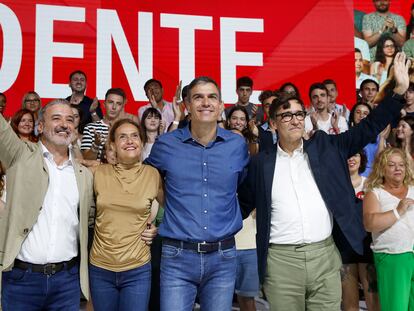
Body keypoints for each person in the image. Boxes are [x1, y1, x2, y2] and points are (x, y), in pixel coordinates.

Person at [238, 52, 410, 311]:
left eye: (298, 114)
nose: (295, 120)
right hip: (281, 262)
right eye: (286, 115)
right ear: (272, 123)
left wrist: (398, 92)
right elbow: (240, 205)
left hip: (325, 257)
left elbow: (369, 127)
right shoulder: (260, 164)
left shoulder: (327, 148)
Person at [145, 76, 249, 311]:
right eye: (198, 97)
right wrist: (168, 203)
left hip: (223, 256)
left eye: (212, 97)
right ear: (187, 106)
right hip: (177, 256)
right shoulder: (167, 144)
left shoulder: (236, 145)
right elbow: (148, 179)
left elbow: (243, 188)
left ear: (221, 105)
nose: (205, 102)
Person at [0, 99, 94, 310]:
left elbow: (93, 220)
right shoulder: (20, 155)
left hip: (67, 283)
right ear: (40, 126)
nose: (64, 124)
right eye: (56, 118)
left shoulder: (84, 176)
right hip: (21, 280)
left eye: (70, 120)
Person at [89, 119, 163, 311]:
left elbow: (175, 209)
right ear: (113, 145)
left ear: (142, 141)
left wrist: (158, 228)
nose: (129, 141)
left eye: (134, 136)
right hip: (100, 268)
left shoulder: (152, 174)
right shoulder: (99, 173)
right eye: (123, 137)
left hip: (137, 269)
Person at [363, 147, 414, 311]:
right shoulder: (375, 193)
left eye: (401, 165)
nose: (398, 168)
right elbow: (370, 223)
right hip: (393, 256)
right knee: (396, 307)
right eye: (391, 165)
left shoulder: (413, 189)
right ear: (382, 169)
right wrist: (397, 211)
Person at [338, 150, 380, 311]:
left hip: (366, 246)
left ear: (361, 159)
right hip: (344, 247)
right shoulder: (336, 186)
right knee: (349, 305)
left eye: (355, 155)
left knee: (374, 302)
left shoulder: (370, 184)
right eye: (348, 156)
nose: (351, 159)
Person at [81, 88, 126, 161]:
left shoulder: (126, 129)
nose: (114, 107)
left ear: (122, 107)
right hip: (97, 171)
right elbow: (86, 159)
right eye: (111, 102)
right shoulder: (90, 128)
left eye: (118, 104)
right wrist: (96, 145)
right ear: (104, 104)